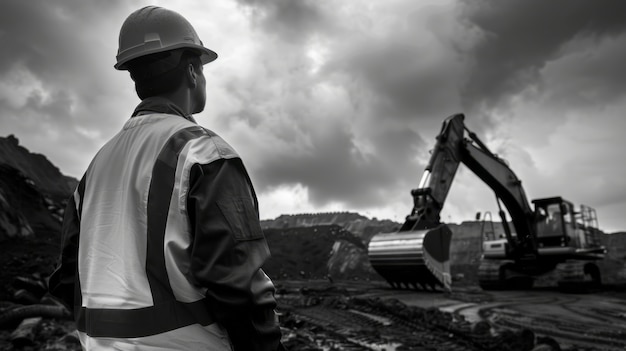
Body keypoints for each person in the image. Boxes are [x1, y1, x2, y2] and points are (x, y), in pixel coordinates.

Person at [48, 6, 283, 351]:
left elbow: (68, 276)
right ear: (192, 71)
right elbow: (238, 286)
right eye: (203, 68)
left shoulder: (97, 167)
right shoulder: (205, 153)